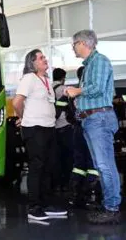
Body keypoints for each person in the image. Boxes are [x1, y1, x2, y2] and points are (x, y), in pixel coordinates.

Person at [65, 30, 121, 224]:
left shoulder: (99, 62)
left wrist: (76, 91)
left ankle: (112, 207)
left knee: (105, 165)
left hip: (99, 119)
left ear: (82, 43)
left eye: (74, 44)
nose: (73, 48)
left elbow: (96, 87)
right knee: (101, 165)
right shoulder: (90, 65)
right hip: (92, 120)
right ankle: (109, 203)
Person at [12, 49, 67, 221]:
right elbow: (17, 102)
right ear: (33, 63)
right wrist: (23, 117)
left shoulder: (47, 81)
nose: (45, 59)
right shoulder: (29, 78)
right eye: (41, 58)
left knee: (49, 166)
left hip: (49, 128)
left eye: (44, 57)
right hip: (34, 129)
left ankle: (45, 203)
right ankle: (34, 207)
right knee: (37, 167)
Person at [68, 66, 100, 209]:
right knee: (92, 163)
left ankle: (75, 196)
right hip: (91, 129)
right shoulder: (90, 92)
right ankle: (91, 196)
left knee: (79, 164)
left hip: (77, 130)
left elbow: (69, 113)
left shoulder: (73, 91)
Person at [51, 68, 74, 191]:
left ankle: (56, 182)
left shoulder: (48, 89)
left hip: (53, 127)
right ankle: (67, 182)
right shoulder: (63, 89)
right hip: (65, 125)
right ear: (63, 77)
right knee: (69, 156)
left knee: (56, 156)